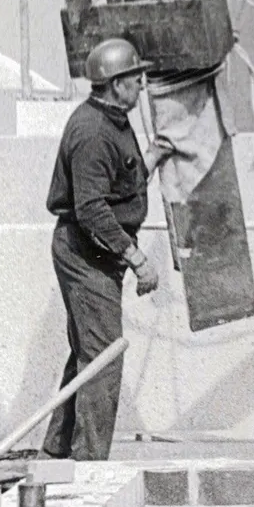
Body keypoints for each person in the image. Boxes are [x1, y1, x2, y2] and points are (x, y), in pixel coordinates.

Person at [43, 38, 178, 461]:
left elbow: (119, 185)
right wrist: (136, 259)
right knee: (103, 359)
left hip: (95, 254)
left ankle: (58, 450)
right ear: (116, 83)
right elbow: (92, 209)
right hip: (86, 254)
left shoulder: (113, 121)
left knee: (90, 351)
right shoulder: (93, 131)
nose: (141, 85)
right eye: (135, 78)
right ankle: (88, 466)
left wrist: (153, 157)